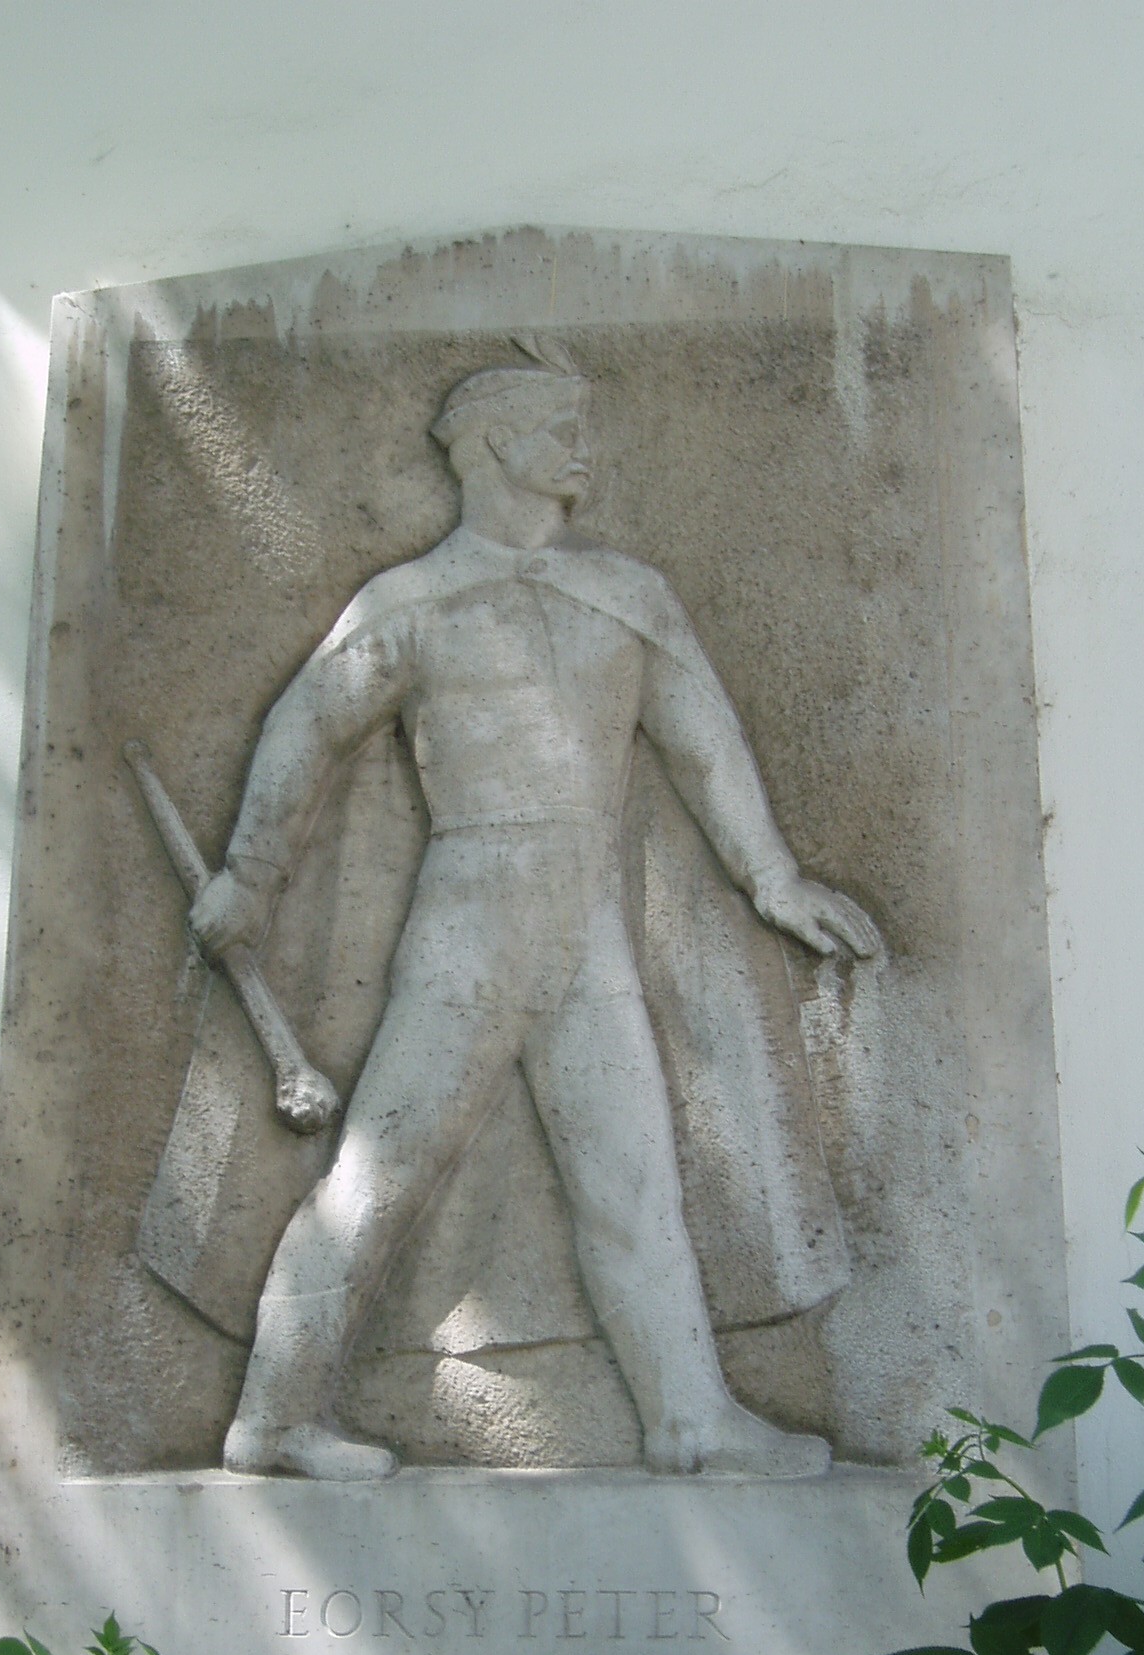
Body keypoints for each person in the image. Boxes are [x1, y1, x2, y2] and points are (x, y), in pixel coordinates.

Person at [188, 347, 881, 1481]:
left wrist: (772, 877)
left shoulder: (628, 595)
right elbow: (306, 726)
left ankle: (690, 1418)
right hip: (469, 925)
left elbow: (703, 736)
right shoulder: (413, 602)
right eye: (560, 428)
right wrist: (250, 875)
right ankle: (273, 1417)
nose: (582, 450)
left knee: (633, 1180)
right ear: (495, 443)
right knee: (376, 1180)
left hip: (583, 927)